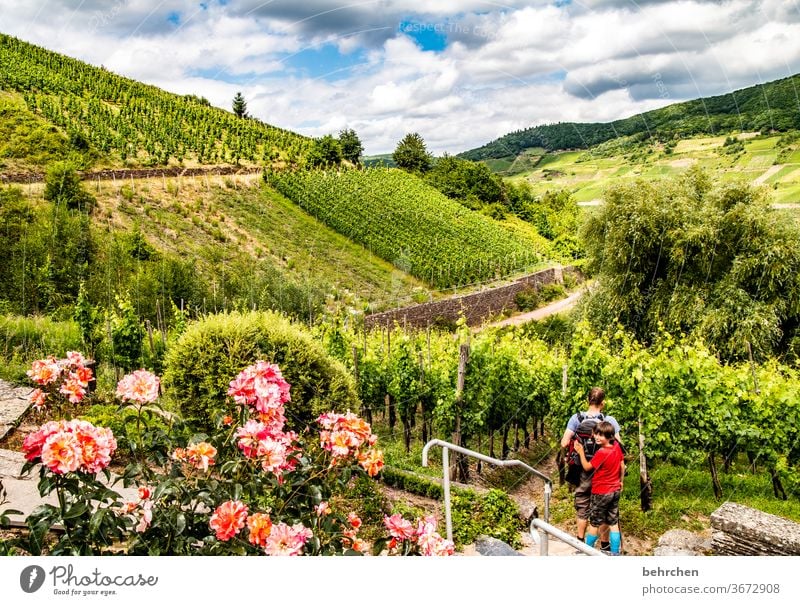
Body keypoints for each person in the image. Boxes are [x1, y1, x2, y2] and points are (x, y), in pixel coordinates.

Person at [560, 387, 621, 550]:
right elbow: (618, 445)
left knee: (582, 503)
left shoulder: (577, 418)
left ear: (588, 401)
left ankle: (580, 541)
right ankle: (606, 545)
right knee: (605, 510)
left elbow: (564, 442)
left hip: (582, 470)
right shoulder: (609, 420)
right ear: (603, 403)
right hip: (604, 473)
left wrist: (578, 449)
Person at [573, 420, 625, 555]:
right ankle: (614, 553)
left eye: (601, 435)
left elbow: (587, 467)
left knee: (595, 523)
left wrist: (580, 452)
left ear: (609, 436)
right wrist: (621, 482)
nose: (596, 437)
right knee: (613, 523)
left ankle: (586, 551)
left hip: (601, 492)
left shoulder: (601, 452)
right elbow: (622, 466)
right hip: (615, 490)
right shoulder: (616, 447)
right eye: (596, 433)